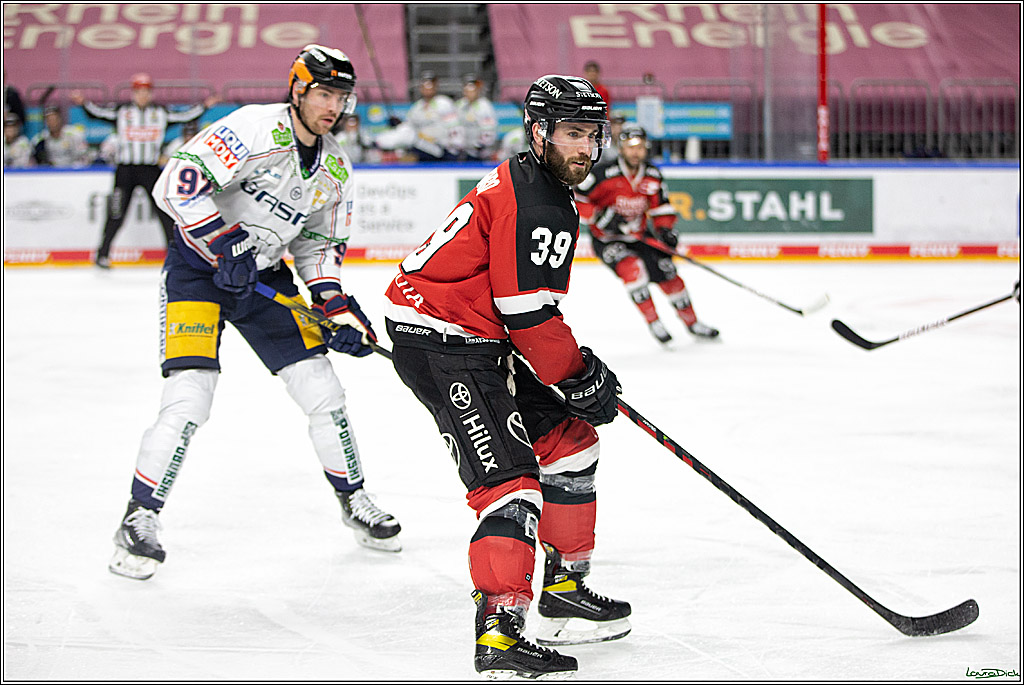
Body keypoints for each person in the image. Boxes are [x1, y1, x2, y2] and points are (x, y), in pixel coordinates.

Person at [107, 44, 402, 582]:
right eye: (323, 92)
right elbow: (177, 182)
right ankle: (139, 515)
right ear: (297, 88)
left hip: (263, 279)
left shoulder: (334, 167)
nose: (332, 105)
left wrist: (332, 302)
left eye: (341, 95)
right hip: (199, 273)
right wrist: (224, 243)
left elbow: (318, 245)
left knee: (322, 388)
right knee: (189, 395)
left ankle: (354, 498)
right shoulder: (253, 129)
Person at [384, 75, 629, 679]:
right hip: (441, 339)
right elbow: (527, 310)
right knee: (511, 486)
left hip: (478, 331)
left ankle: (565, 589)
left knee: (571, 446)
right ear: (539, 131)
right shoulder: (539, 200)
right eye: (574, 133)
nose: (587, 149)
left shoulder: (536, 179)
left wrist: (572, 380)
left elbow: (518, 308)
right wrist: (574, 376)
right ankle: (499, 634)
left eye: (593, 135)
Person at [576, 124, 719, 343]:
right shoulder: (601, 174)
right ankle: (654, 322)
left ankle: (692, 323)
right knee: (633, 270)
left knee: (668, 273)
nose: (635, 152)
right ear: (621, 148)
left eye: (640, 147)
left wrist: (665, 230)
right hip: (607, 240)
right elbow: (575, 200)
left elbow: (661, 207)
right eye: (630, 146)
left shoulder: (652, 175)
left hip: (639, 236)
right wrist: (599, 216)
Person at [71, 74, 217, 268]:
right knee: (116, 212)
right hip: (125, 170)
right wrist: (84, 103)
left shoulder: (160, 113)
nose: (142, 96)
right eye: (139, 92)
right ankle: (103, 254)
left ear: (150, 93)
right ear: (133, 93)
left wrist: (204, 106)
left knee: (164, 212)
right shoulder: (122, 112)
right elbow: (98, 114)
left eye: (146, 92)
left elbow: (185, 116)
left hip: (150, 169)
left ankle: (174, 253)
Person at [405, 71, 460, 162]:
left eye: (431, 85)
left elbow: (454, 127)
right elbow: (410, 128)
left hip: (444, 148)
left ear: (436, 86)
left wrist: (454, 147)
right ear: (421, 88)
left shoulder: (444, 103)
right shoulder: (416, 108)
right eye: (425, 85)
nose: (428, 88)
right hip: (424, 148)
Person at [455, 73, 498, 161]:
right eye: (467, 90)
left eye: (472, 90)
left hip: (479, 151)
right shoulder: (459, 105)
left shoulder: (484, 106)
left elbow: (489, 130)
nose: (469, 93)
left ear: (478, 90)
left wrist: (481, 145)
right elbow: (454, 126)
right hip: (462, 150)